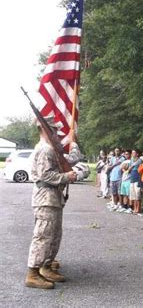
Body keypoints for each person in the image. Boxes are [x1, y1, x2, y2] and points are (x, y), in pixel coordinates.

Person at [25, 117, 80, 289]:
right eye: (53, 130)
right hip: (45, 198)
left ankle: (46, 266)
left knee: (54, 235)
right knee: (43, 236)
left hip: (52, 197)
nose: (56, 134)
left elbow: (70, 160)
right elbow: (45, 175)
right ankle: (33, 274)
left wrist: (73, 143)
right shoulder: (45, 149)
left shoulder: (50, 149)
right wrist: (66, 177)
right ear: (45, 129)